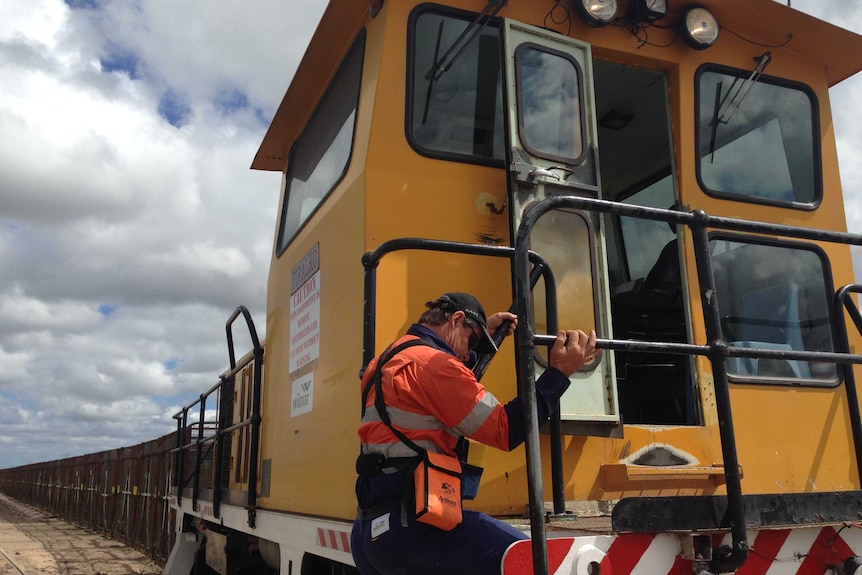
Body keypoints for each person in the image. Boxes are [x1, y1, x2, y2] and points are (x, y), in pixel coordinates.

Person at [350, 292, 600, 575]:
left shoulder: (384, 361)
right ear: (457, 319)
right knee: (530, 560)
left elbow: (445, 395)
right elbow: (506, 430)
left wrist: (482, 339)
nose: (468, 354)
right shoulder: (437, 365)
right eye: (471, 341)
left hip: (370, 530)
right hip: (415, 528)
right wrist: (559, 374)